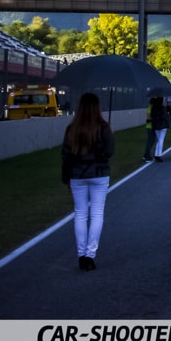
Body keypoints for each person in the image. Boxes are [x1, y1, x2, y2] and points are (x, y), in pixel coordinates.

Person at [61, 92, 115, 271]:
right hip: (99, 174)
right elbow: (109, 152)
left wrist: (65, 178)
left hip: (78, 175)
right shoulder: (103, 126)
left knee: (80, 214)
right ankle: (90, 255)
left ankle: (81, 254)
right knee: (97, 213)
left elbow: (66, 156)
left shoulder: (72, 128)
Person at [149, 97, 171, 162]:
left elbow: (152, 116)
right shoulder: (163, 108)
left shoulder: (153, 108)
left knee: (159, 140)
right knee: (161, 140)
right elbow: (164, 117)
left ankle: (157, 154)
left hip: (155, 125)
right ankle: (158, 154)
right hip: (162, 125)